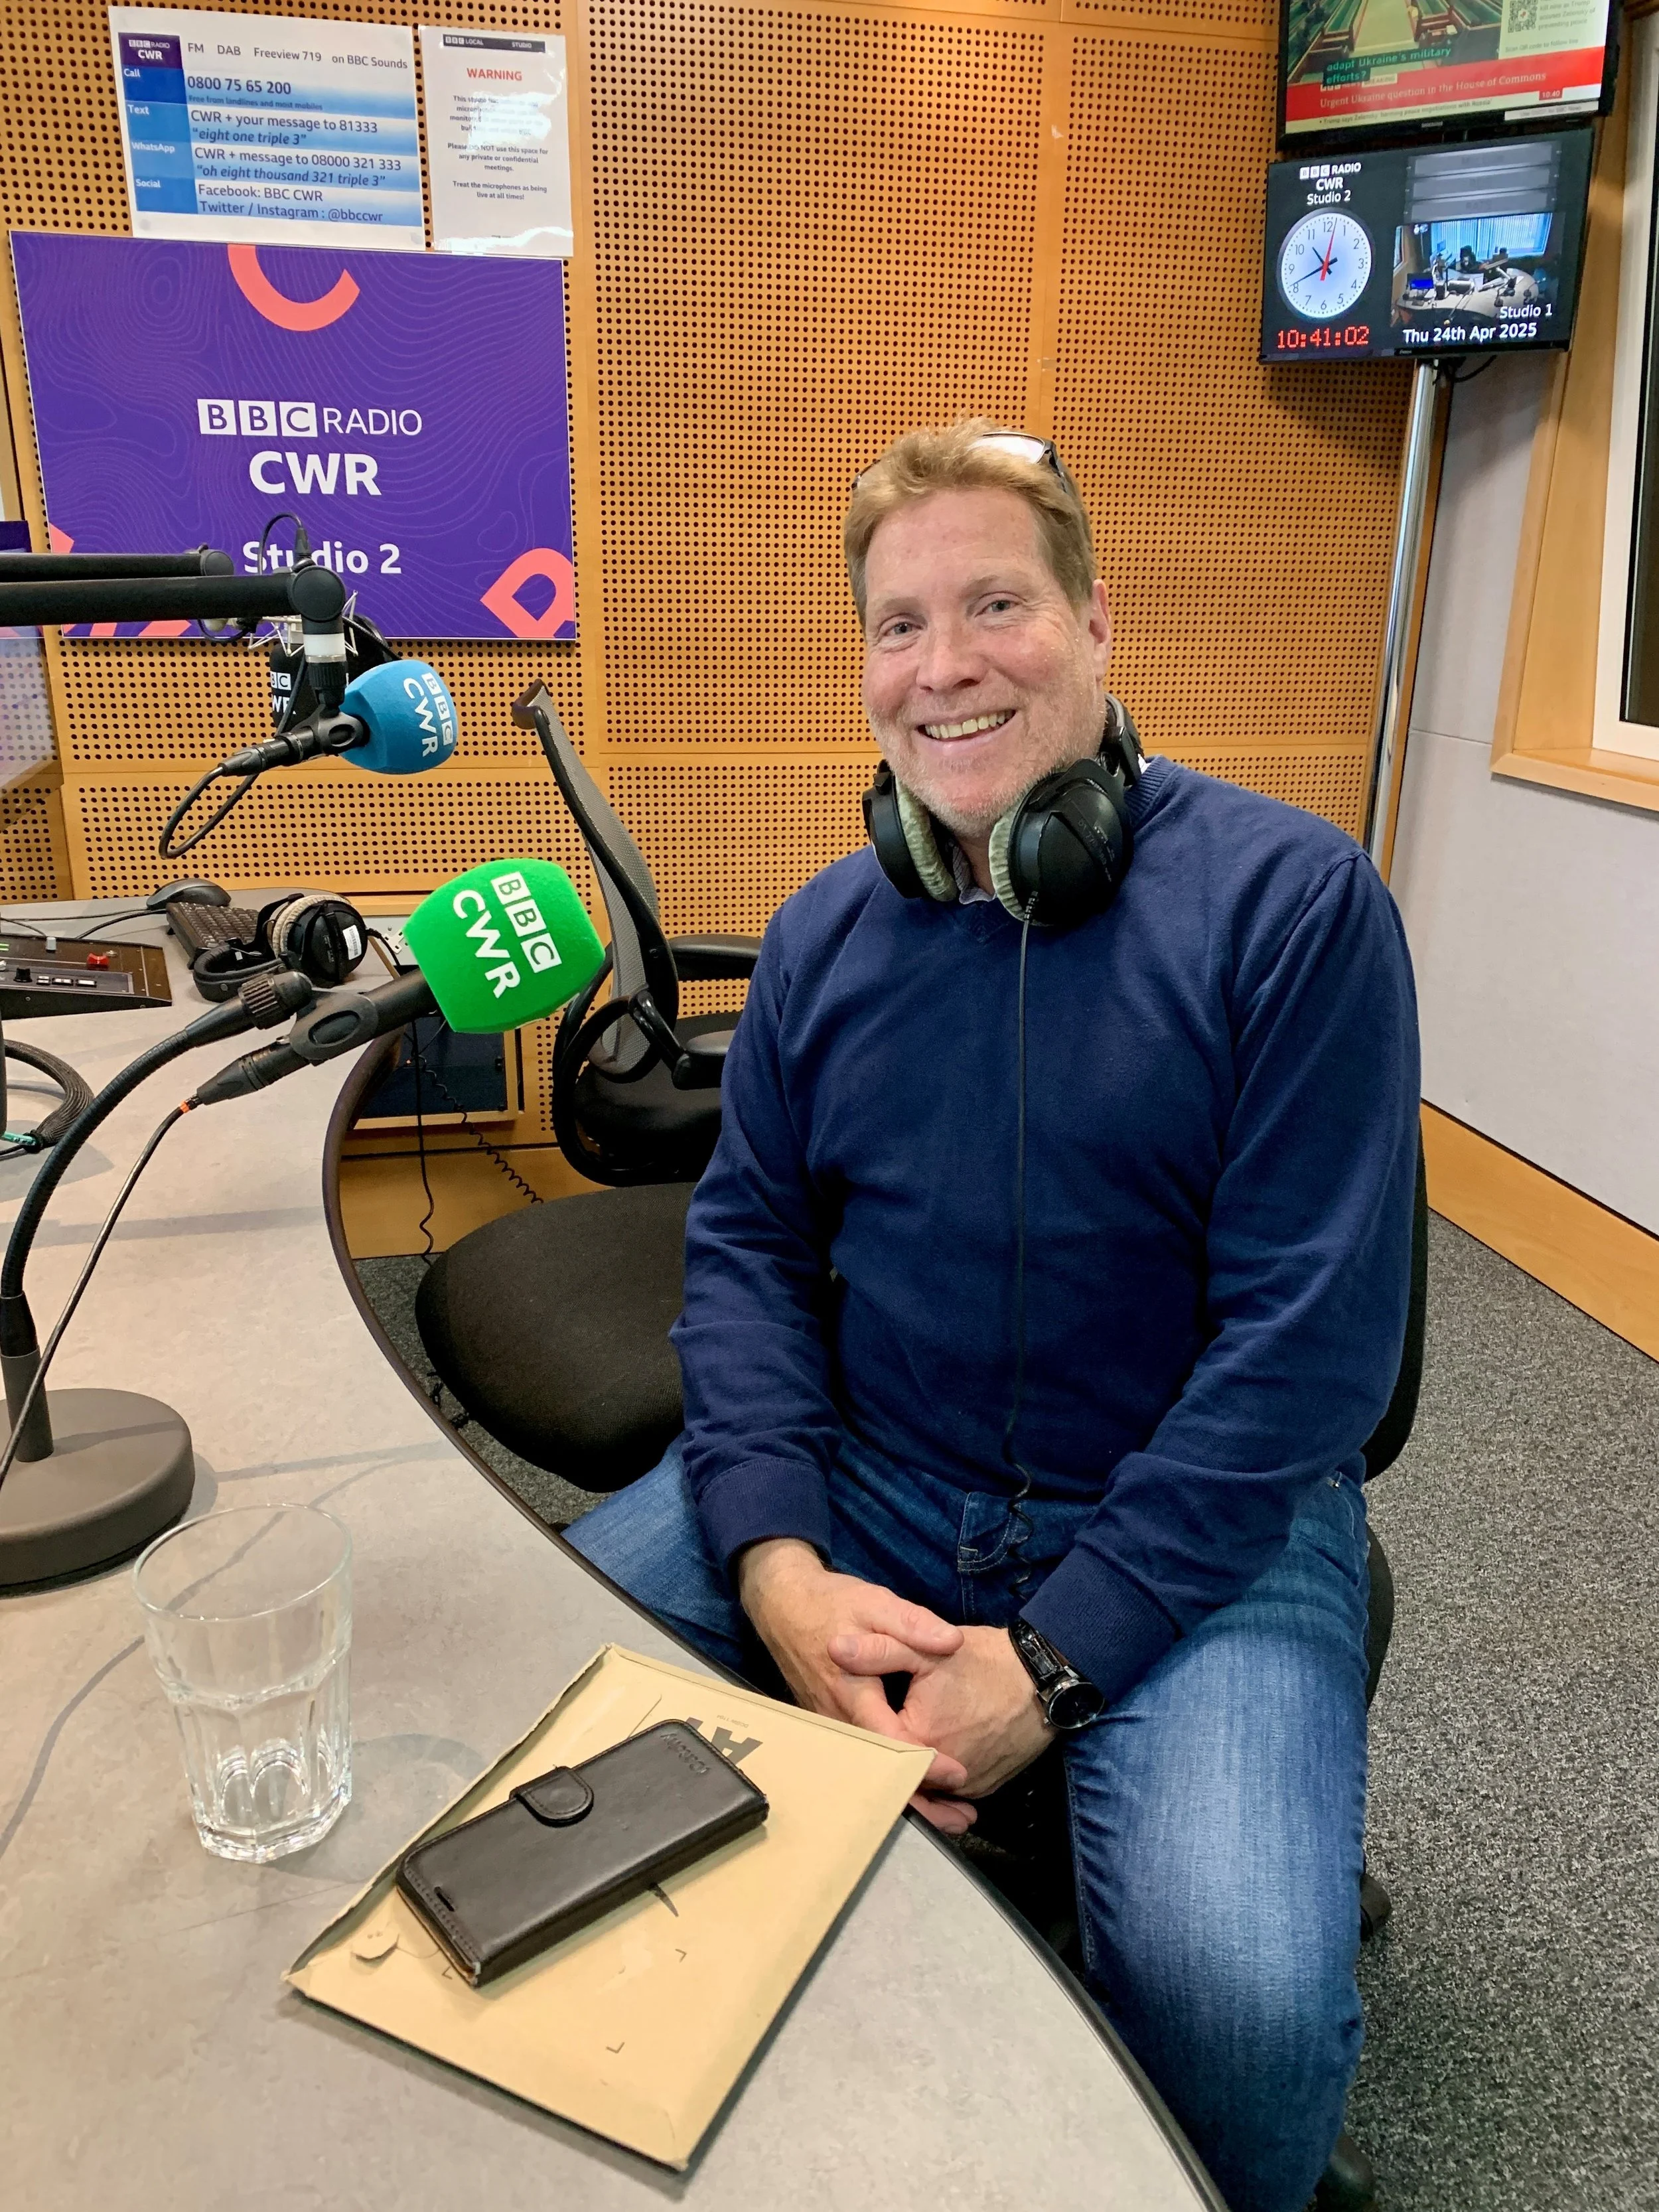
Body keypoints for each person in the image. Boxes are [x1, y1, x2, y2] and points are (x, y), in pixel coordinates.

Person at [567, 419, 1419, 2212]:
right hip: (874, 1486)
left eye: (995, 605)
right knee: (520, 1712)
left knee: (1241, 1993)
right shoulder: (821, 941)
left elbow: (1309, 1350)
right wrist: (775, 1562)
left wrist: (1045, 1663)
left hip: (1202, 1526)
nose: (943, 665)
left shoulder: (1290, 906)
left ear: (1097, 624)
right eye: (898, 624)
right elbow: (740, 1263)